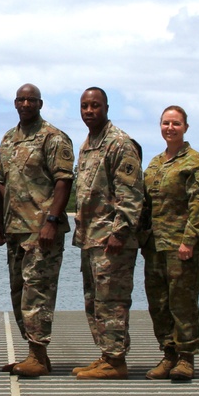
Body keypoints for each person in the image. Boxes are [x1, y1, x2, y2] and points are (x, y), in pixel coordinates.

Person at [0, 83, 74, 378]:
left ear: (40, 104)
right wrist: (1, 222)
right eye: (21, 99)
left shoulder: (53, 137)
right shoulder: (7, 139)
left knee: (37, 293)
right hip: (15, 229)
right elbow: (4, 185)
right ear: (15, 103)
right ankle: (34, 353)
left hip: (41, 230)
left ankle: (37, 355)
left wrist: (51, 222)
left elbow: (64, 181)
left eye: (31, 100)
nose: (25, 103)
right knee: (18, 292)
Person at [72, 87, 143, 380]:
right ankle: (107, 354)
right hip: (91, 237)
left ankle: (116, 361)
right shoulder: (89, 143)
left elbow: (131, 194)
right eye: (85, 106)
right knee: (96, 300)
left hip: (112, 240)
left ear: (107, 107)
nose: (89, 111)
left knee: (112, 300)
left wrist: (120, 232)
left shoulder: (119, 143)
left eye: (95, 106)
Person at [140, 106, 199, 382]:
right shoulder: (156, 163)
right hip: (156, 247)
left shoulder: (195, 162)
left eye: (176, 123)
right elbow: (147, 204)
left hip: (183, 247)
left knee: (183, 303)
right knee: (158, 303)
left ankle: (186, 357)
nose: (170, 128)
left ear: (185, 127)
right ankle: (168, 354)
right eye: (166, 123)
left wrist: (190, 240)